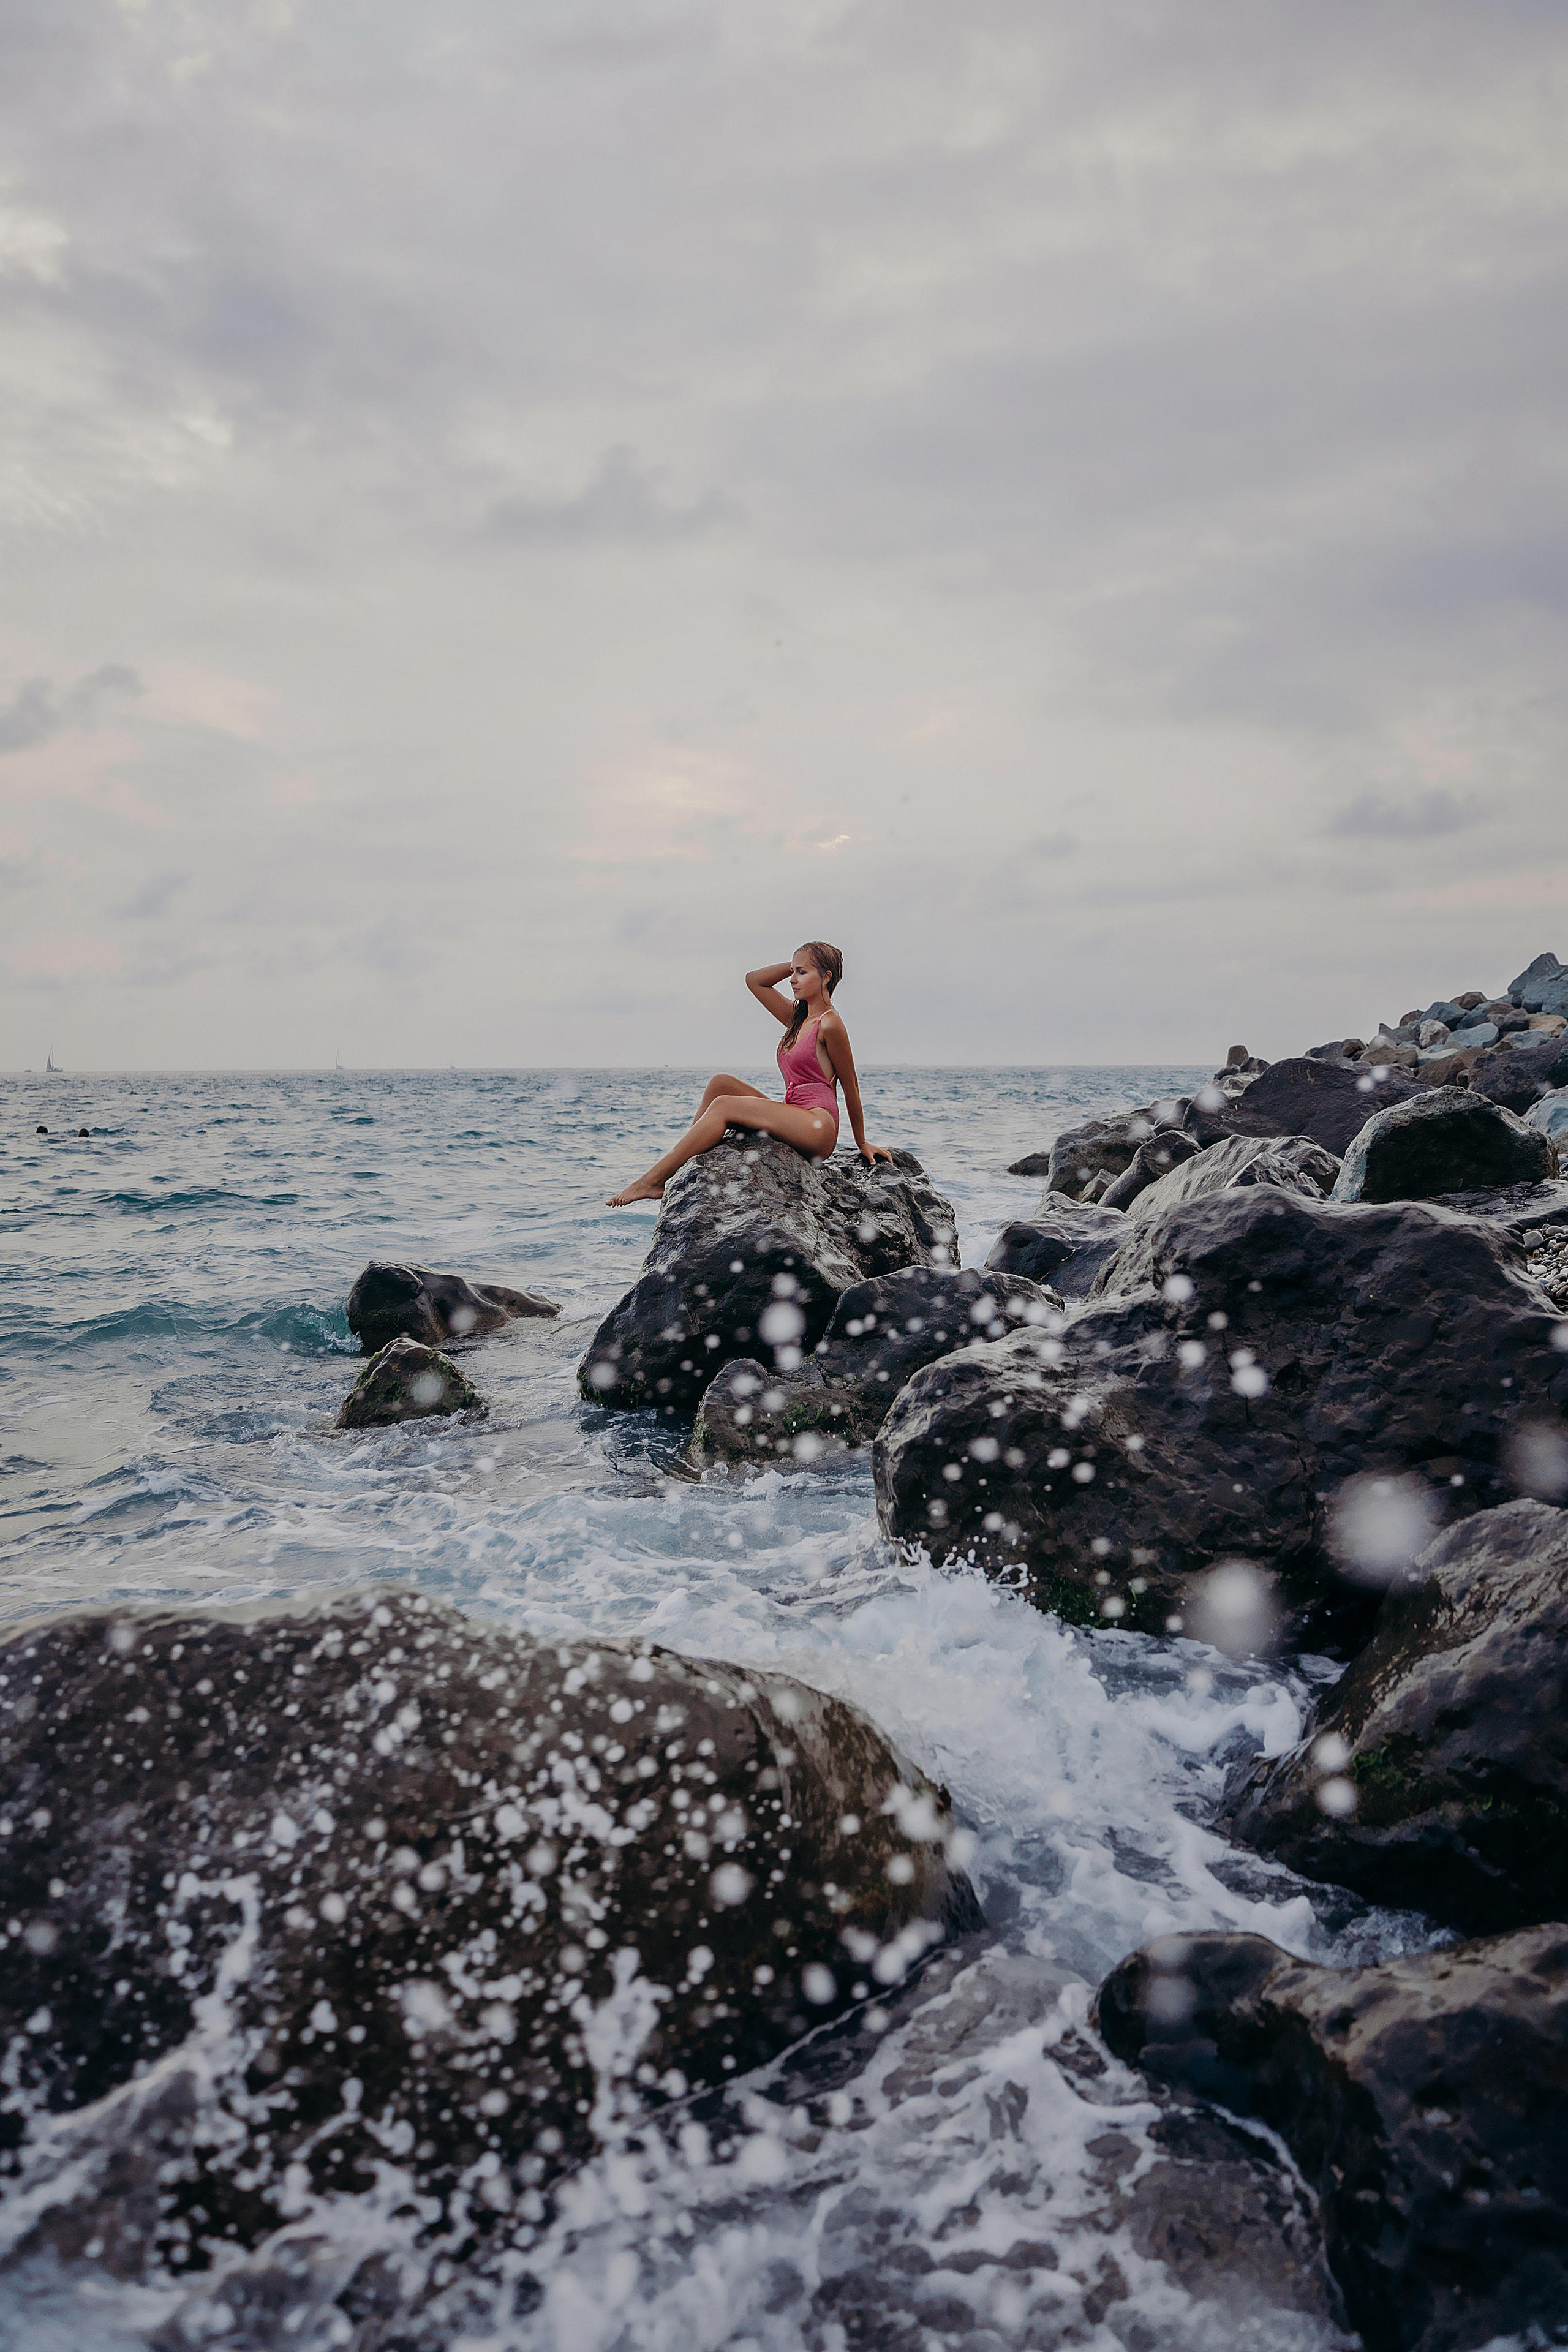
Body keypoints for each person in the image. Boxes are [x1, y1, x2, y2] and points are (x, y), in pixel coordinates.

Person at [606, 941, 891, 1205]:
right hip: (795, 1113)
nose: (793, 979)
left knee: (725, 1106)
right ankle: (685, 1166)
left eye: (802, 973)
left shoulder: (830, 1024)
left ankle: (653, 1180)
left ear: (826, 977)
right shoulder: (799, 1018)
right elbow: (754, 980)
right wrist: (797, 962)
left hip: (818, 1128)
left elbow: (850, 1083)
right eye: (793, 972)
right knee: (721, 1084)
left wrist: (861, 1142)